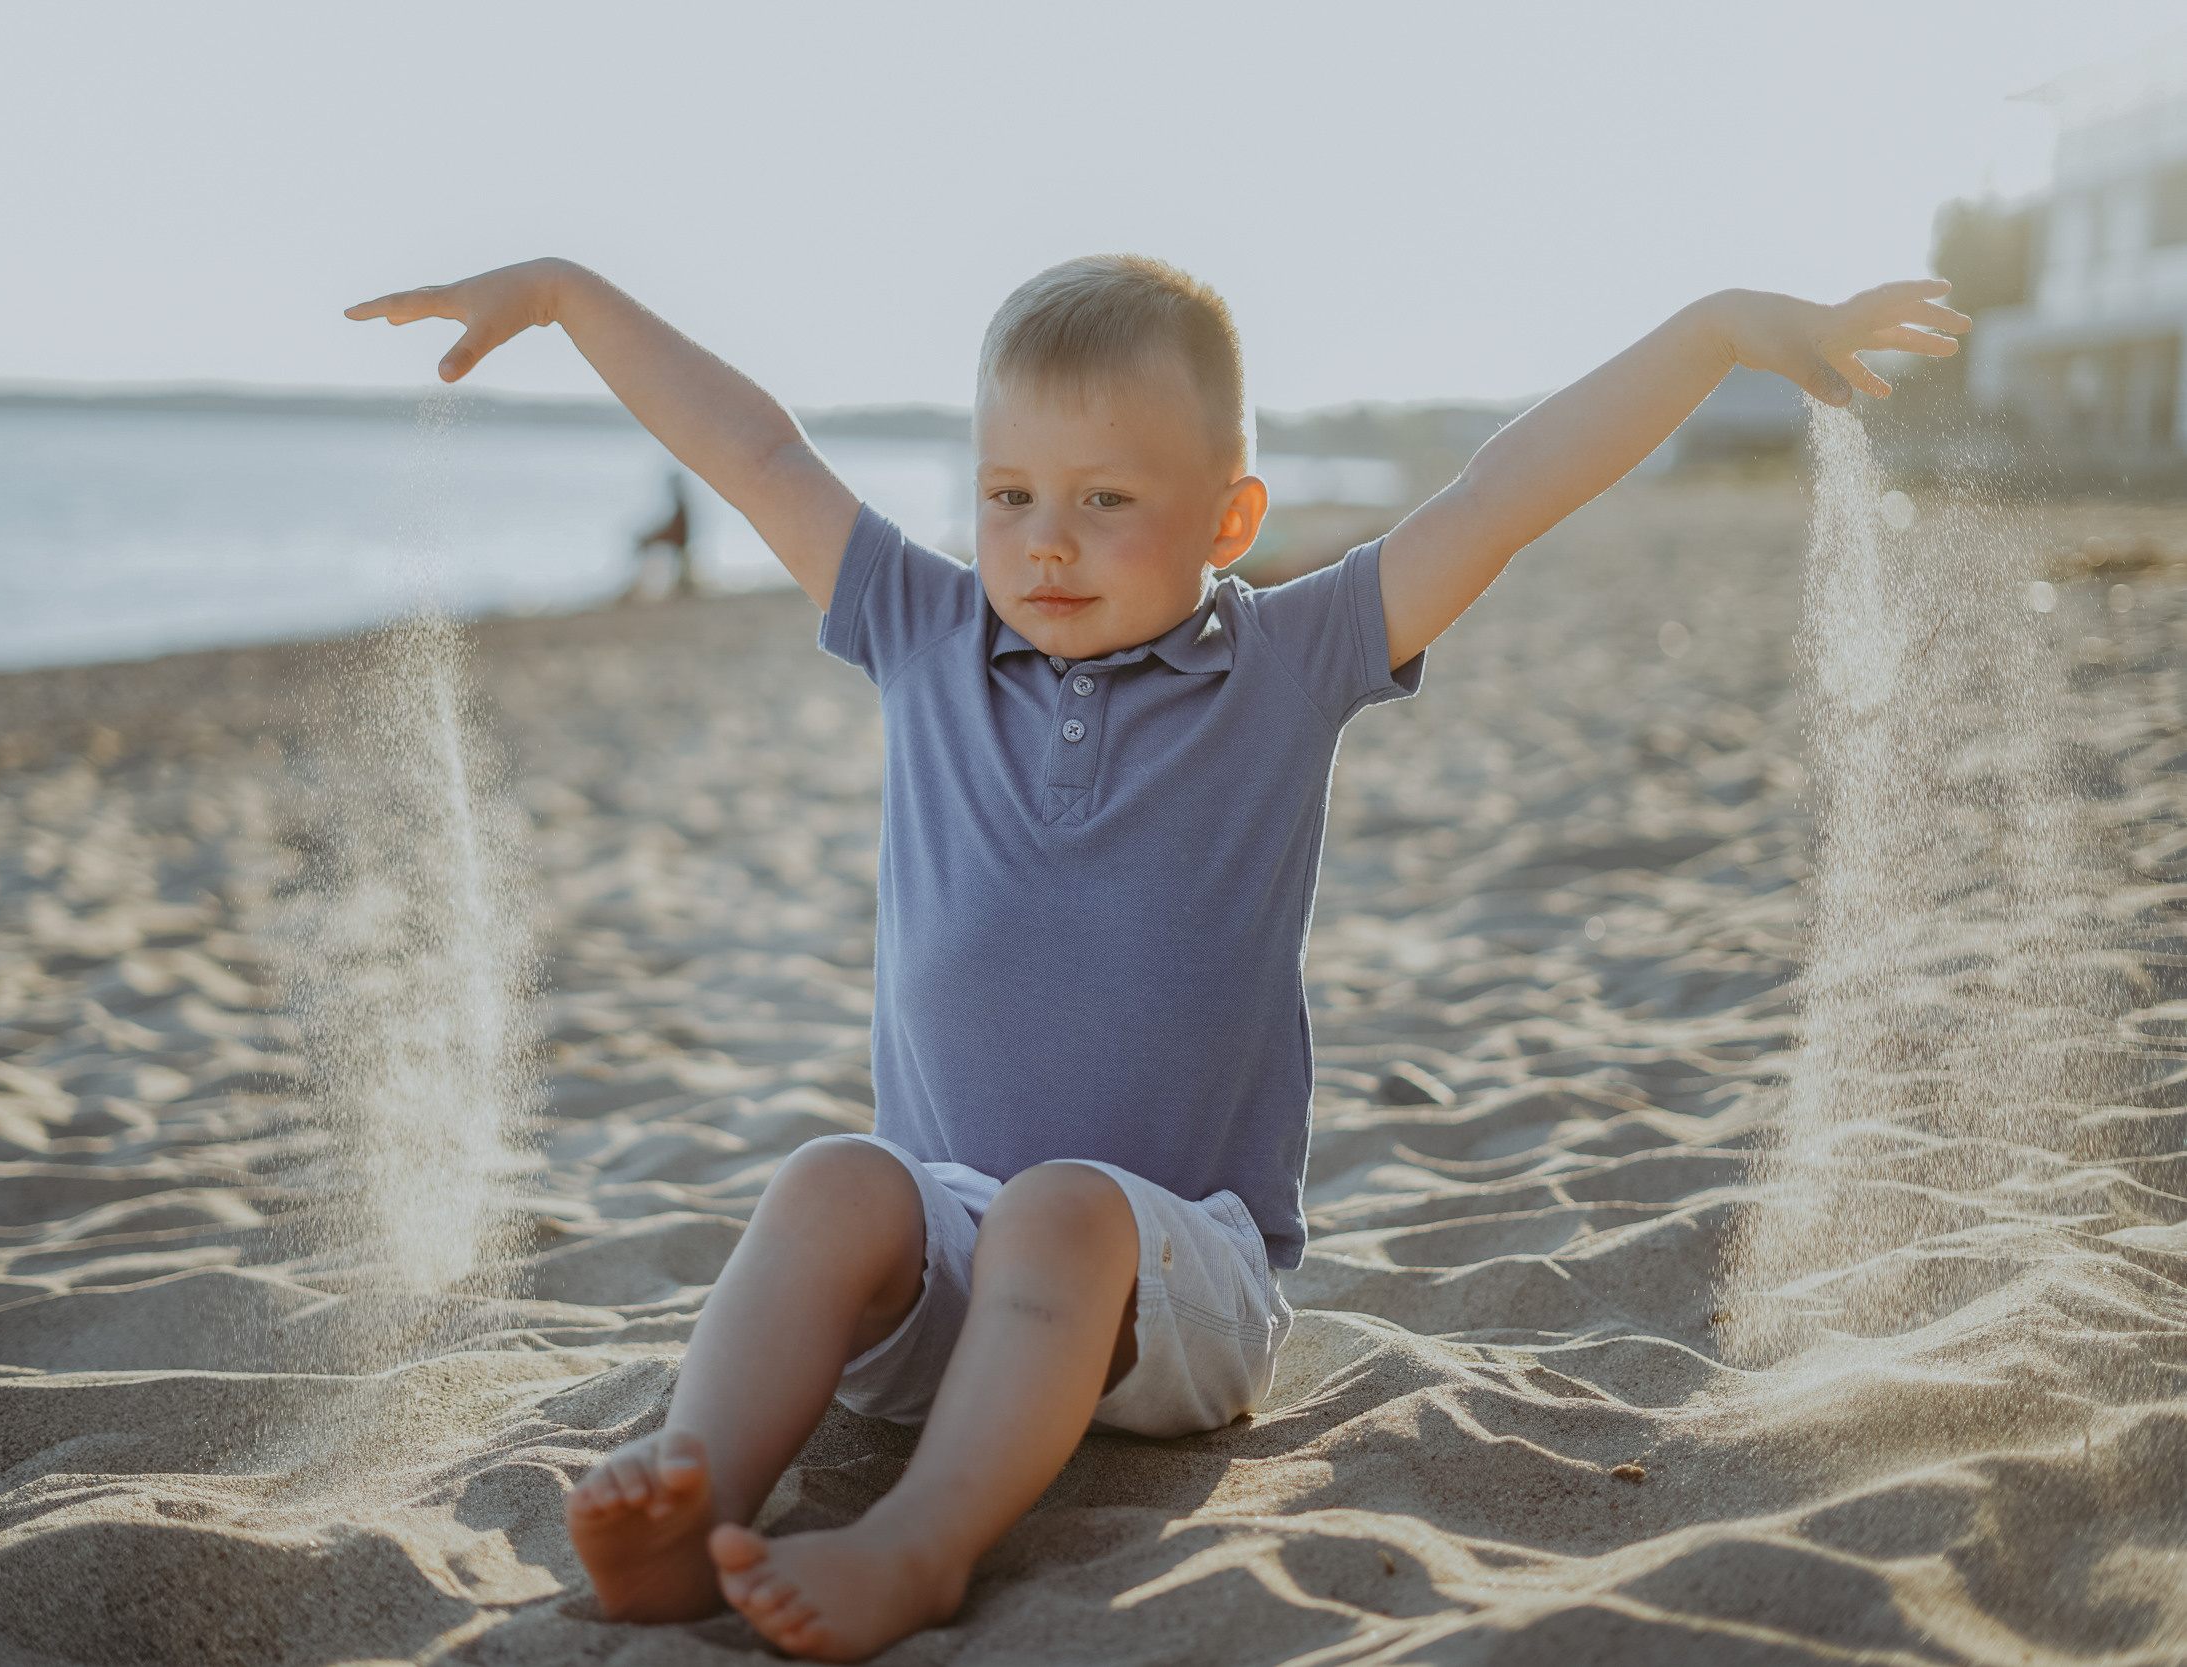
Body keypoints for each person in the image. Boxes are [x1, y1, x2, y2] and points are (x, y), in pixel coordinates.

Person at [347, 255, 1965, 1661]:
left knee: (1066, 1199)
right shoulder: (923, 633)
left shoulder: (1291, 658)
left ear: (1229, 515)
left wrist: (1717, 333)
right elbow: (752, 441)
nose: (1046, 540)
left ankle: (918, 1545)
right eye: (1009, 494)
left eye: (1107, 499)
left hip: (1175, 1281)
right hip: (952, 1267)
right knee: (833, 1177)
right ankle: (690, 1491)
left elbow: (1499, 493)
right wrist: (567, 294)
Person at [630, 471, 697, 602]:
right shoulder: (683, 506)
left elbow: (674, 528)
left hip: (678, 539)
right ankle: (640, 585)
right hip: (678, 539)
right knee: (642, 541)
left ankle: (637, 585)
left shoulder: (681, 509)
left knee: (641, 542)